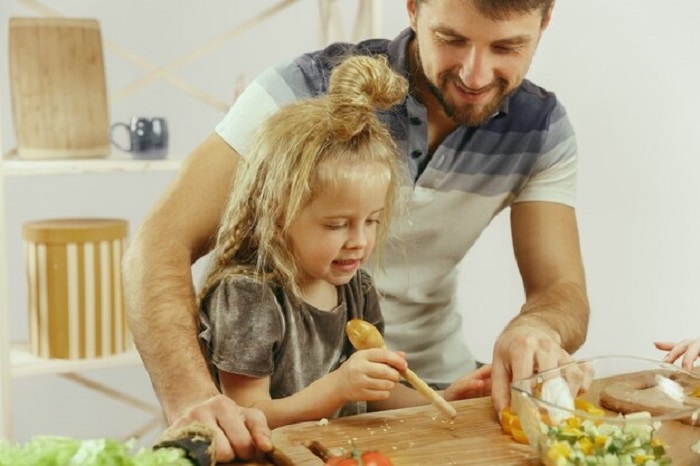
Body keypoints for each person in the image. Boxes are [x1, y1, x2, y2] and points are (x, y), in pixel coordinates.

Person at [123, 0, 589, 461]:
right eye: (451, 39)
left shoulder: (542, 127)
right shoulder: (302, 90)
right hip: (287, 416)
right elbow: (157, 245)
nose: (475, 74)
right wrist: (193, 400)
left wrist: (534, 327)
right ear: (412, 8)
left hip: (423, 389)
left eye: (507, 47)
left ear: (546, 21)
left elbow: (561, 289)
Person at [197, 54, 491, 430]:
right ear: (277, 212)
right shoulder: (247, 297)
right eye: (337, 225)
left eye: (371, 221)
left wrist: (437, 399)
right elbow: (247, 414)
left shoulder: (357, 289)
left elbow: (374, 394)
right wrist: (338, 388)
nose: (359, 241)